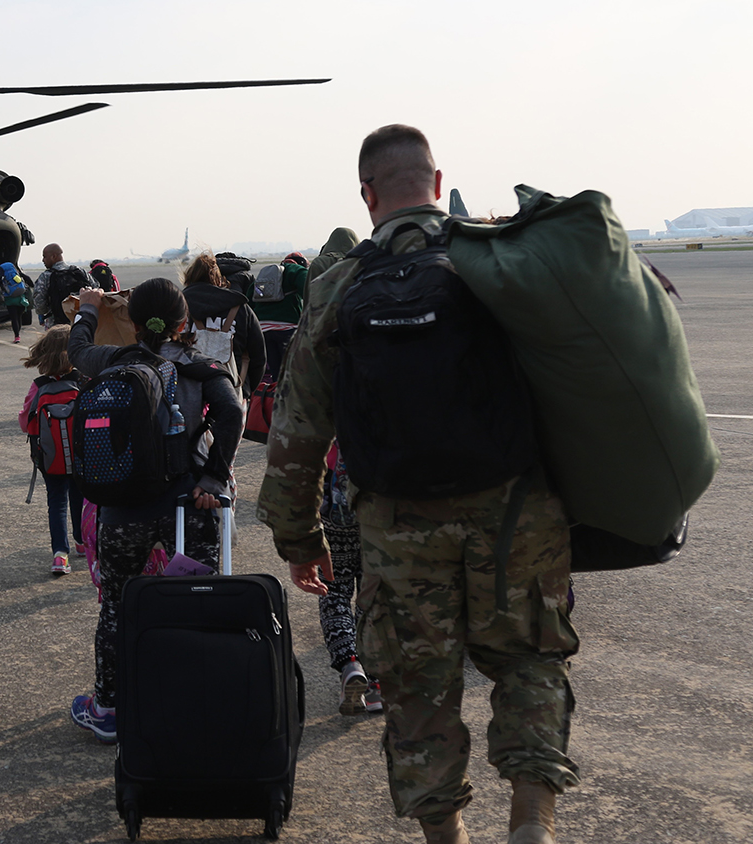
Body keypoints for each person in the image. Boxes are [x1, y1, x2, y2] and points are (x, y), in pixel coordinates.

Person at [257, 125, 578, 844]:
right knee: (530, 656)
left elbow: (297, 428)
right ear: (438, 184)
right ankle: (532, 819)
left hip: (398, 526)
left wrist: (300, 536)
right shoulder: (496, 262)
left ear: (368, 196)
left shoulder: (339, 287)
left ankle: (449, 836)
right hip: (514, 510)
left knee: (414, 686)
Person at [66, 279, 245, 744]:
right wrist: (213, 478)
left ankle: (108, 708)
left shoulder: (112, 360)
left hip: (122, 510)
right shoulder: (201, 367)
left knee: (117, 607)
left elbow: (78, 349)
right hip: (189, 505)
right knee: (203, 600)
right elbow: (232, 414)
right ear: (183, 323)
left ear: (133, 322)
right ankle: (200, 702)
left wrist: (88, 308)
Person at [317, 443, 382, 716]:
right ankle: (378, 683)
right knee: (377, 593)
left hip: (336, 496)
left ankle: (350, 665)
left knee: (335, 590)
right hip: (383, 501)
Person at [19, 324, 86, 573]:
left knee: (56, 501)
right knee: (80, 495)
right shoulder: (82, 380)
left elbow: (25, 422)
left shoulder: (39, 386)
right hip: (82, 455)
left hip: (50, 457)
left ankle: (60, 555)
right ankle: (82, 541)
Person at [179, 251, 266, 400]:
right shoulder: (240, 309)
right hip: (232, 389)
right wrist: (246, 389)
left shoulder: (177, 308)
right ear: (218, 280)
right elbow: (259, 356)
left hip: (184, 393)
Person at [251, 252, 312, 379]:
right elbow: (310, 291)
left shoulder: (267, 274)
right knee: (291, 373)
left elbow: (250, 298)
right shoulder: (297, 271)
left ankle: (273, 396)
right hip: (287, 330)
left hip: (263, 330)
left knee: (275, 372)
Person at [32, 243, 94, 326]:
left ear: (53, 256)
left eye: (44, 257)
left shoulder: (46, 276)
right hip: (82, 323)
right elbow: (95, 289)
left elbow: (39, 304)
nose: (43, 260)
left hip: (57, 325)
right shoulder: (80, 272)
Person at [0, 262, 30, 344]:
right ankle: (18, 335)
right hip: (20, 301)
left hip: (10, 301)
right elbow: (30, 283)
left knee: (14, 319)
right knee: (19, 317)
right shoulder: (18, 275)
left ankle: (16, 336)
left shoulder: (4, 278)